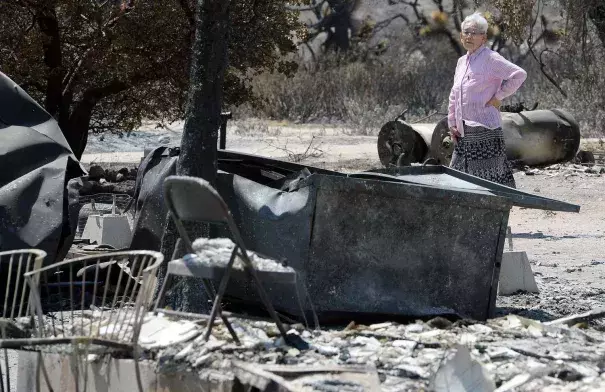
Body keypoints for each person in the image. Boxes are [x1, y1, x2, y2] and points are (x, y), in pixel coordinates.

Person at [447, 12, 527, 188]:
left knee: (487, 183)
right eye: (465, 32)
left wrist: (498, 97)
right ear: (460, 36)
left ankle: (494, 211)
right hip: (463, 131)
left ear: (483, 38)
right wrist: (452, 122)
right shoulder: (461, 62)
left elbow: (519, 75)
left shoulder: (490, 59)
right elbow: (455, 94)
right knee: (458, 179)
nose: (469, 36)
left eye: (474, 33)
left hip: (485, 129)